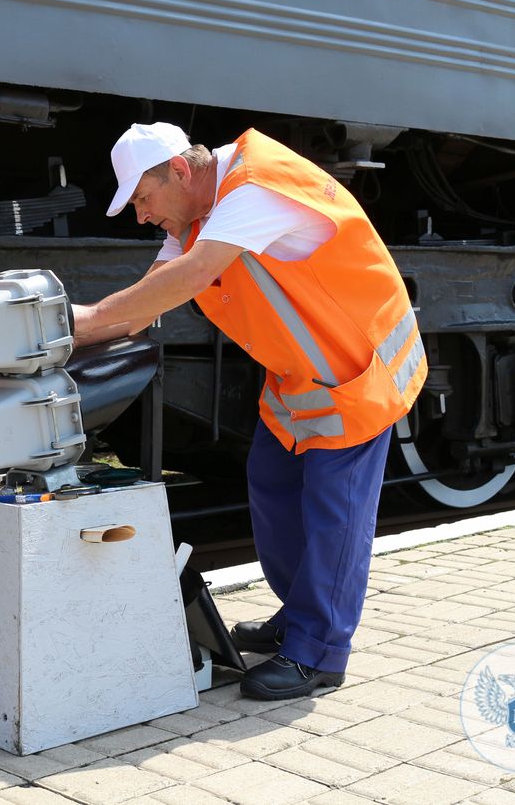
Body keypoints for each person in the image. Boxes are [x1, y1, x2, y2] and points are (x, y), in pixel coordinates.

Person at [74, 122, 426, 700]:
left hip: (357, 374)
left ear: (181, 172)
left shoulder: (254, 187)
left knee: (335, 513)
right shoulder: (197, 215)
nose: (140, 215)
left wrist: (82, 323)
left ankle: (320, 654)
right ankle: (301, 617)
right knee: (271, 483)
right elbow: (149, 295)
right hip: (304, 379)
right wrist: (66, 334)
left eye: (142, 198)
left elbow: (189, 278)